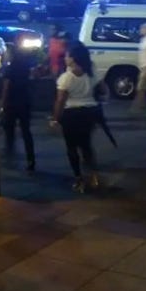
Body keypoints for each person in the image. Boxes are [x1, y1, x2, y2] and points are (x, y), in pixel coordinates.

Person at [51, 41, 102, 193]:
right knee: (86, 146)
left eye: (67, 56)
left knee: (72, 148)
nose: (65, 58)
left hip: (72, 115)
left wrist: (55, 119)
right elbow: (103, 89)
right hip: (90, 112)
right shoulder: (91, 71)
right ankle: (93, 176)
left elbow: (60, 101)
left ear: (73, 58)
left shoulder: (66, 78)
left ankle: (79, 179)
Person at [1, 44, 35, 172]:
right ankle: (31, 159)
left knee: (9, 131)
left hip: (12, 103)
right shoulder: (25, 66)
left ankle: (10, 158)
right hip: (25, 101)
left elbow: (6, 87)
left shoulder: (9, 69)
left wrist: (2, 104)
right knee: (26, 131)